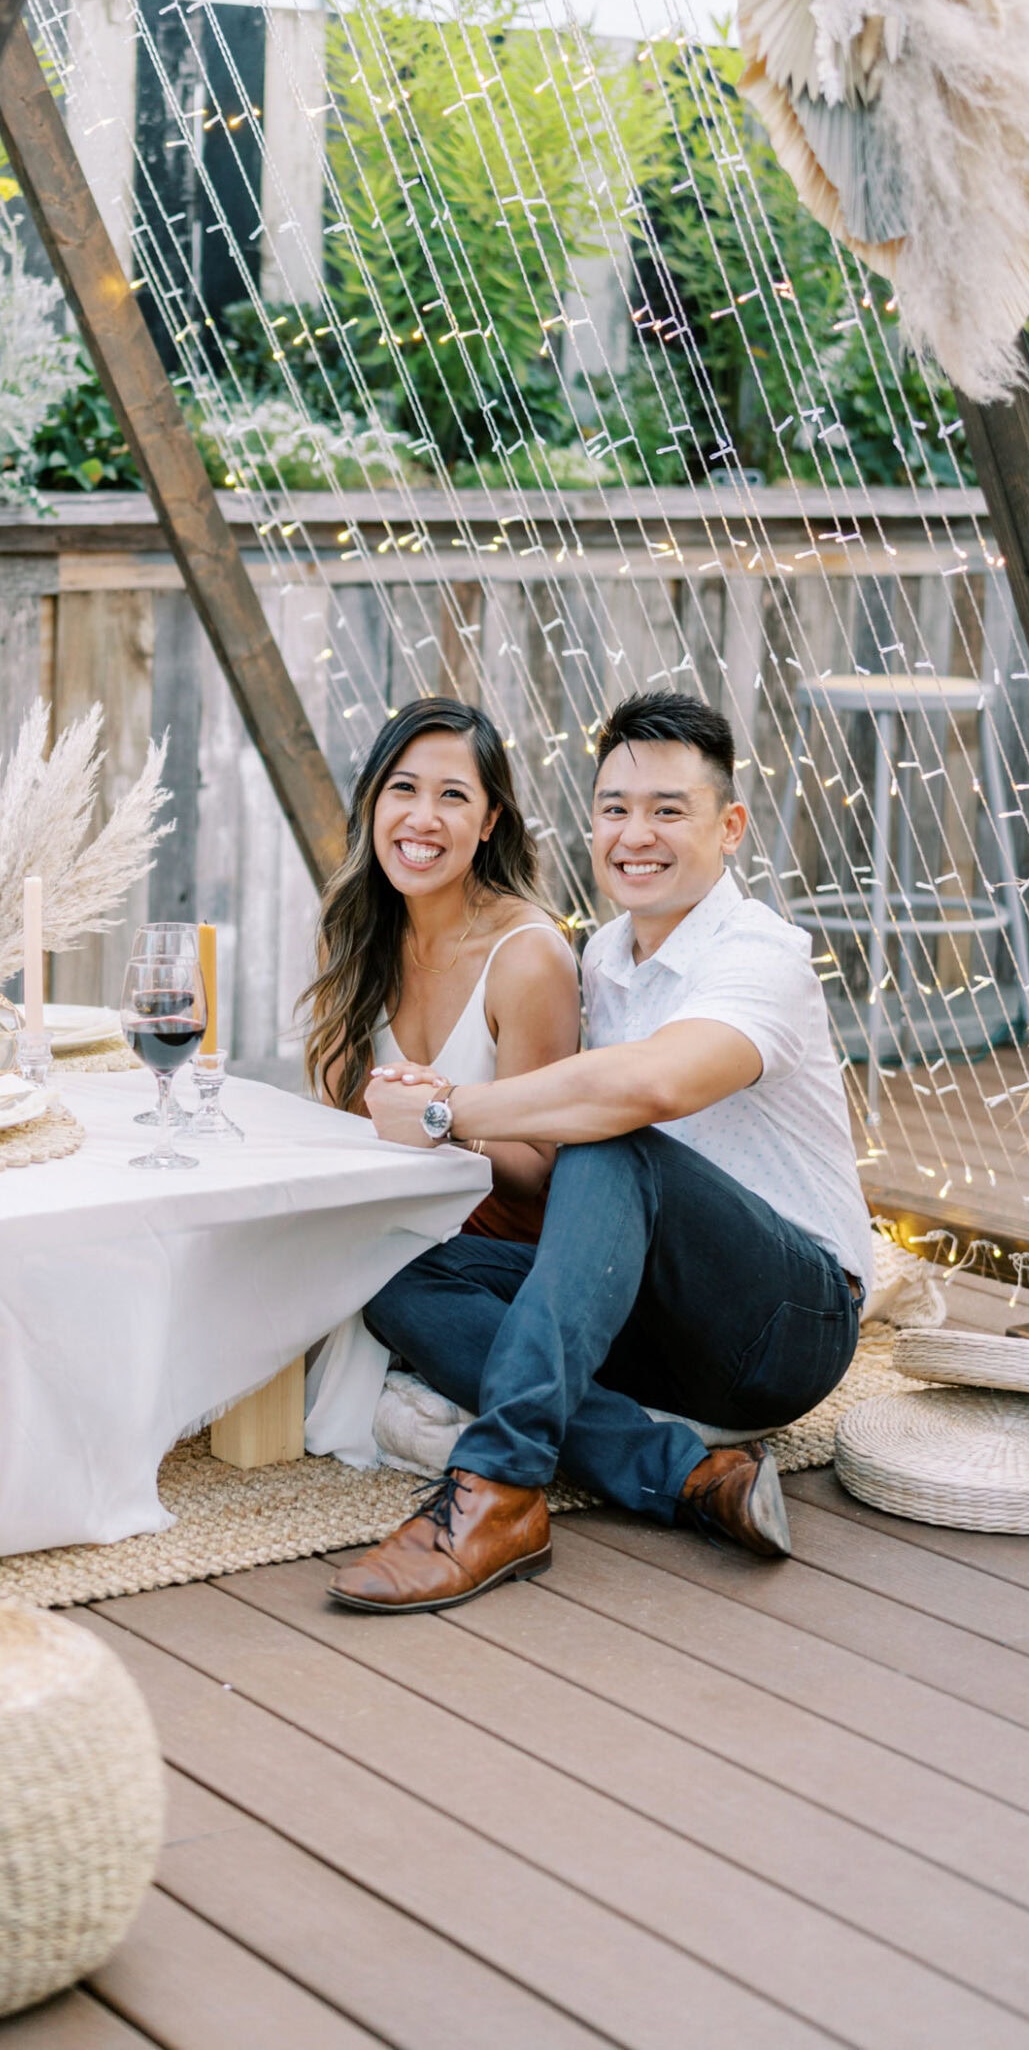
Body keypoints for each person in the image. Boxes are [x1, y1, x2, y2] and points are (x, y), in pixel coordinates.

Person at [338, 687, 869, 1612]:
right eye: (615, 811)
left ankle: (498, 1489)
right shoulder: (604, 959)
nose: (636, 835)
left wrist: (444, 1111)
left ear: (729, 825)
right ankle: (684, 1474)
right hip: (651, 1321)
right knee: (392, 1268)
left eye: (669, 811)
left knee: (612, 1136)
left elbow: (648, 1089)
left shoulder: (761, 955)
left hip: (786, 1323)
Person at [302, 694, 581, 1241]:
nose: (423, 819)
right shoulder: (351, 932)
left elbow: (532, 1168)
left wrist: (441, 1118)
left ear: (488, 821)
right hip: (370, 1227)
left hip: (482, 1258)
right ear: (373, 803)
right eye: (403, 789)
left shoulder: (528, 955)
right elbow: (342, 1123)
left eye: (453, 796)